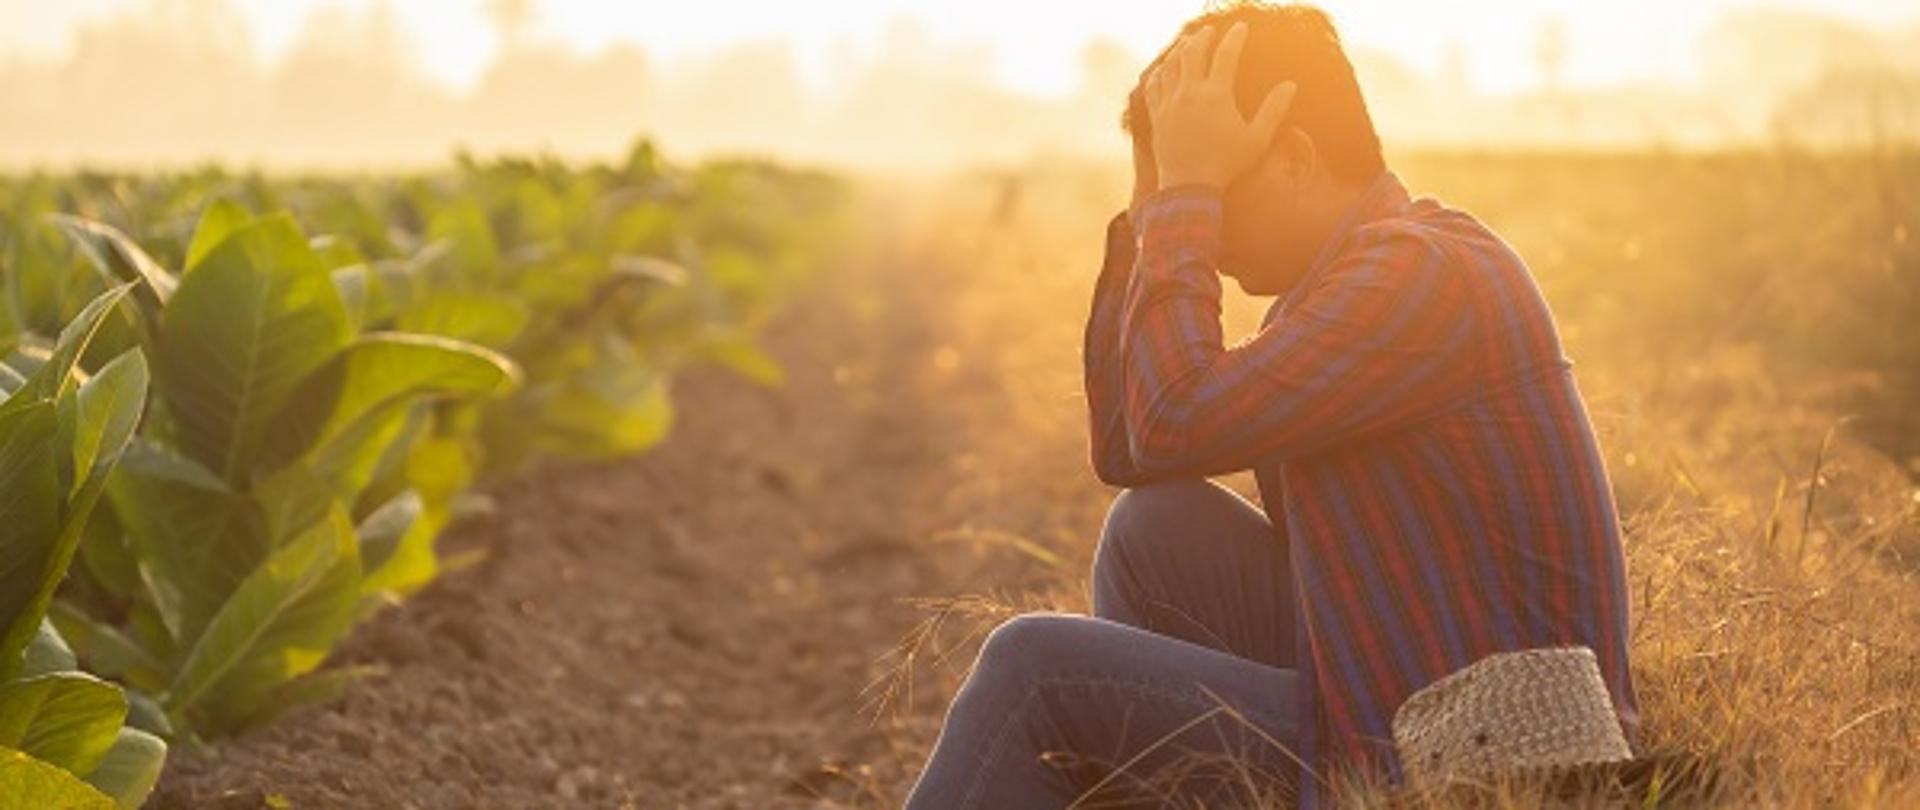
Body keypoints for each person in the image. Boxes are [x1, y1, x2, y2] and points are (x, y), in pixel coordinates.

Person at [903, 3, 1638, 808]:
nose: (1206, 234)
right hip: (1381, 697)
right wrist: (1162, 202)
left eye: (1221, 191)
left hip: (1469, 759)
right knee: (1156, 527)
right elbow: (1132, 451)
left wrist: (1187, 192)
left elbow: (1174, 422)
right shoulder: (1331, 289)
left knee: (1035, 672)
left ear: (1293, 156)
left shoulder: (1424, 275)